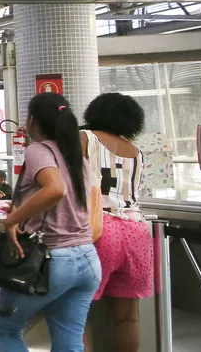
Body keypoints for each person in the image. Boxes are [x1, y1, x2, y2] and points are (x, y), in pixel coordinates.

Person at [0, 92, 99, 352]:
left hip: (52, 261)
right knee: (69, 340)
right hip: (87, 260)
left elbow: (55, 189)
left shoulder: (38, 149)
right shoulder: (76, 157)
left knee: (5, 329)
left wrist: (12, 220)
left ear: (32, 122)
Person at [82, 93, 152, 352]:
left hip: (100, 228)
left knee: (75, 315)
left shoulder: (85, 138)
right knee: (127, 318)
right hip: (136, 230)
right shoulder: (137, 152)